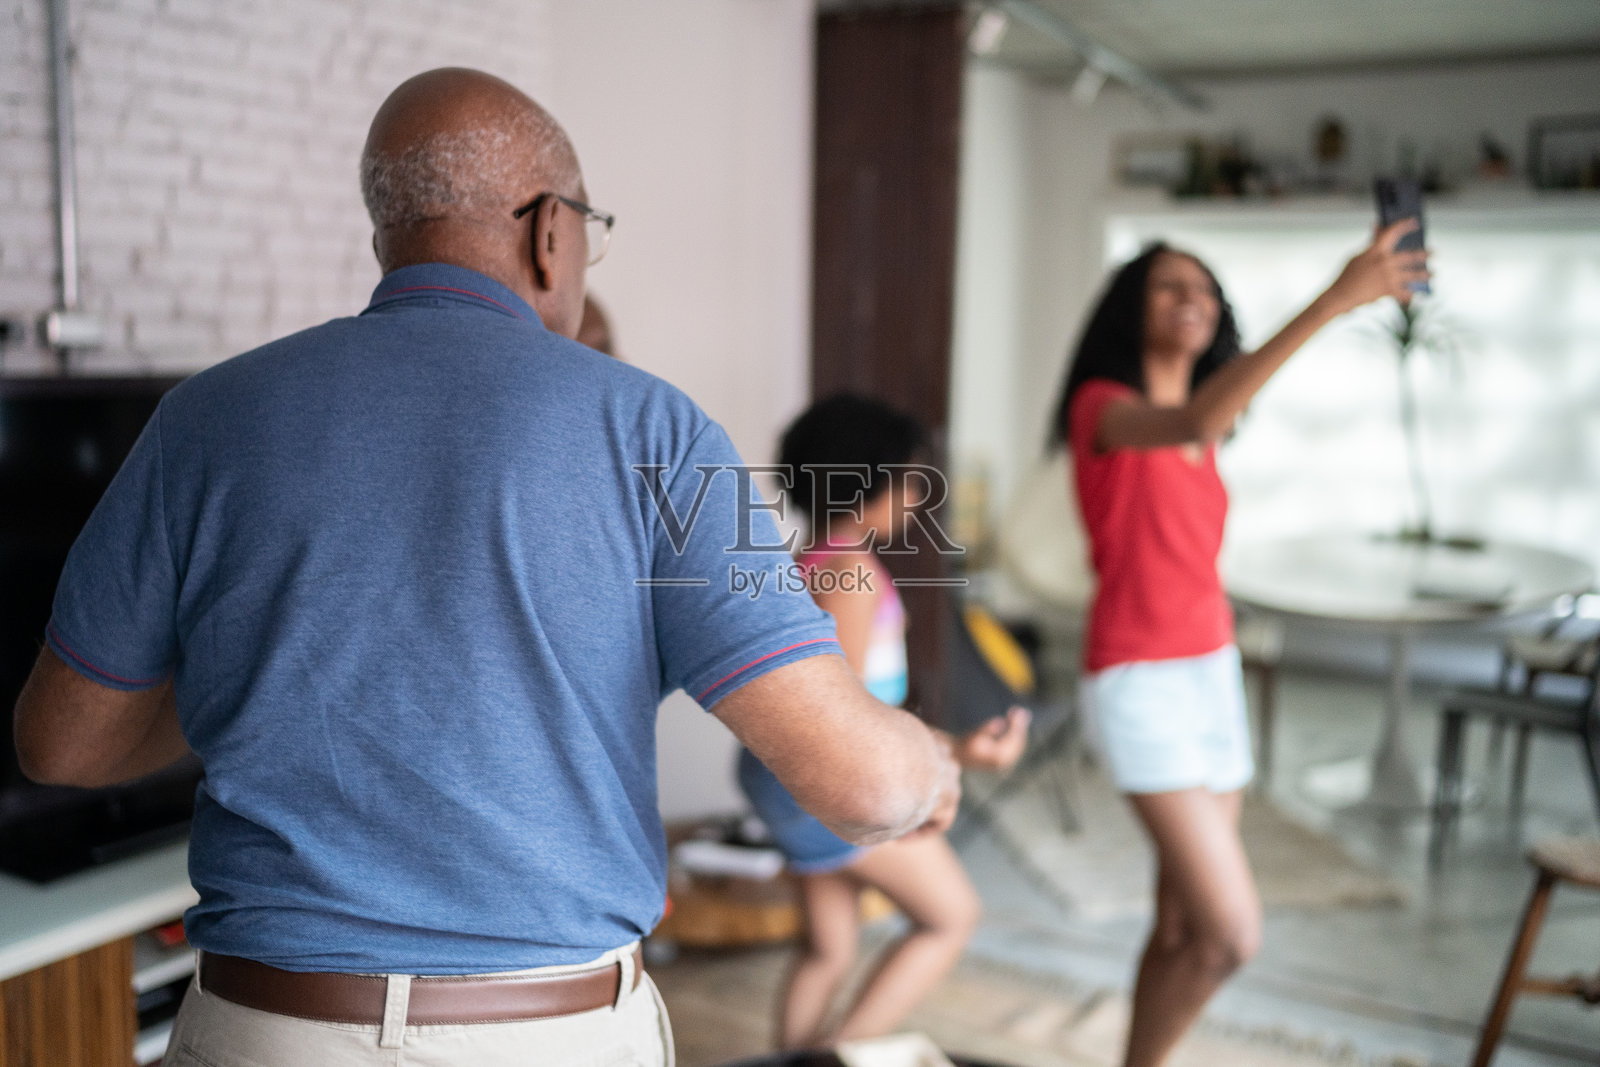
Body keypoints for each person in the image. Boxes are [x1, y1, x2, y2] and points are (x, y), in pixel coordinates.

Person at [12, 68, 960, 1066]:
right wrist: (925, 764)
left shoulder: (205, 419)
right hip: (543, 1035)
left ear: (390, 236)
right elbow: (856, 783)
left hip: (262, 1030)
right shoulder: (652, 428)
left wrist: (261, 662)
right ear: (549, 230)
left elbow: (62, 744)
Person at [1048, 224, 1428, 1067]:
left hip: (1211, 672)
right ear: (1129, 309)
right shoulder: (1104, 409)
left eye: (1205, 289)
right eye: (1168, 287)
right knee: (1229, 934)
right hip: (1138, 679)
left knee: (1182, 922)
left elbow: (1209, 416)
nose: (1192, 300)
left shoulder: (1208, 432)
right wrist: (1336, 298)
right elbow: (1192, 412)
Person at [737, 394, 1030, 1049]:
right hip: (825, 782)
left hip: (789, 784)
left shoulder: (806, 560)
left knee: (827, 949)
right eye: (907, 478)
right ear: (868, 482)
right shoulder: (850, 575)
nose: (914, 495)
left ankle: (802, 1058)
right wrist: (957, 750)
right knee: (950, 916)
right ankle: (837, 1057)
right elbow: (844, 721)